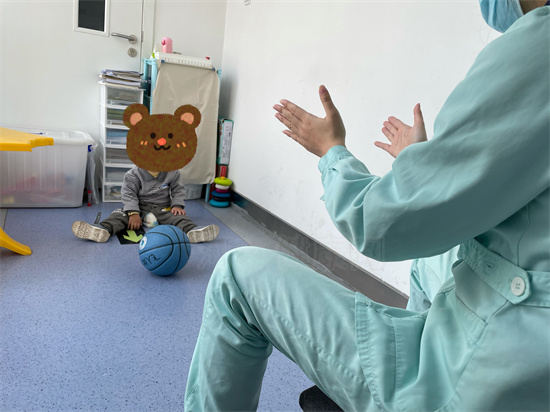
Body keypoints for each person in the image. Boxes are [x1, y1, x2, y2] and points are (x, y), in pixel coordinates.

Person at [184, 0, 549, 410]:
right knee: (430, 262)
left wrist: (331, 150)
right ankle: (412, 340)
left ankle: (409, 388)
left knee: (235, 277)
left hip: (483, 377)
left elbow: (379, 223)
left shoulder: (539, 47)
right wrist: (424, 167)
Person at [72, 166, 219, 244]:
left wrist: (177, 205)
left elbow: (178, 189)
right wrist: (133, 213)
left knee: (177, 216)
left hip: (162, 207)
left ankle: (192, 231)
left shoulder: (173, 172)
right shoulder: (133, 174)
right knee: (118, 214)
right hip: (138, 206)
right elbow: (128, 194)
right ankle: (103, 229)